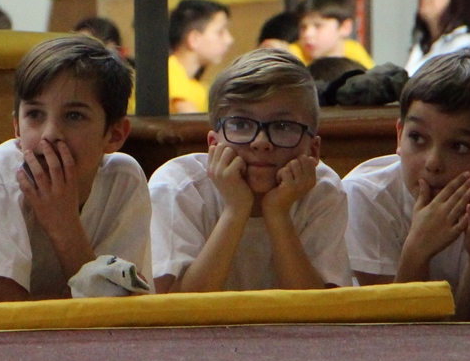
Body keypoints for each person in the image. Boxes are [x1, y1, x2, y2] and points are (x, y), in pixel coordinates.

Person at [0, 36, 149, 303]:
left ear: (115, 134)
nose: (49, 134)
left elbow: (116, 306)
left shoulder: (125, 179)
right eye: (35, 114)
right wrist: (75, 297)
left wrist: (65, 226)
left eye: (74, 116)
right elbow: (4, 312)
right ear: (17, 127)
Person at [344, 53, 470, 321]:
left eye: (459, 146)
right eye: (417, 138)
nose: (433, 163)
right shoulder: (365, 195)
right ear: (399, 135)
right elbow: (388, 327)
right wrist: (417, 250)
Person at [148, 48, 351, 293]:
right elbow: (176, 306)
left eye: (282, 126)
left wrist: (278, 213)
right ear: (213, 144)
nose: (261, 142)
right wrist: (235, 209)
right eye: (241, 124)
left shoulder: (323, 191)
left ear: (313, 150)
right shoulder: (178, 187)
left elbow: (318, 308)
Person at [167, 0, 234, 114]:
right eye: (220, 32)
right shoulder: (168, 71)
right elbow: (189, 118)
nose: (229, 40)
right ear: (194, 39)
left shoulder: (198, 88)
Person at [297, 0, 374, 69]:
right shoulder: (293, 56)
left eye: (318, 26)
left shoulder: (355, 53)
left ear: (345, 27)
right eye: (303, 27)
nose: (308, 34)